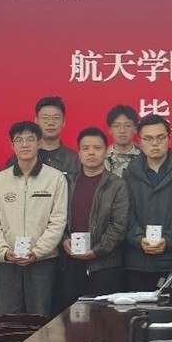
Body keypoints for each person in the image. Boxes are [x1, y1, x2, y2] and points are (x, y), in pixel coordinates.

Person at [0, 121, 69, 316]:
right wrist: (4, 251)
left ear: (40, 143)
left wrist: (37, 252)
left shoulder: (55, 178)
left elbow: (58, 221)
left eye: (30, 139)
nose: (25, 144)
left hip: (42, 261)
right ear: (12, 145)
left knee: (39, 317)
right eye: (19, 140)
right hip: (8, 261)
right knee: (8, 319)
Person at [125, 114, 172, 292]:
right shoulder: (129, 173)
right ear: (139, 141)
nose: (155, 143)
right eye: (148, 138)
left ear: (169, 139)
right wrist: (138, 239)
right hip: (137, 260)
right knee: (138, 309)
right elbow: (125, 212)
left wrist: (168, 240)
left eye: (160, 137)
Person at [59, 127, 130, 305]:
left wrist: (96, 251)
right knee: (72, 314)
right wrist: (64, 239)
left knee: (103, 316)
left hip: (106, 264)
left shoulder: (117, 185)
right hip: (71, 262)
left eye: (97, 148)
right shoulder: (67, 182)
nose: (91, 153)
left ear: (106, 152)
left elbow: (119, 226)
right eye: (86, 148)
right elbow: (58, 217)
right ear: (79, 153)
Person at [33, 96, 80, 177]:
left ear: (64, 122)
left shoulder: (75, 160)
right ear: (36, 121)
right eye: (45, 118)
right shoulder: (23, 158)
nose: (51, 123)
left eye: (56, 118)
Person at [104, 104, 140, 177]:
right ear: (110, 130)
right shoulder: (101, 157)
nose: (122, 130)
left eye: (127, 125)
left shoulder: (145, 156)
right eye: (116, 126)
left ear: (135, 129)